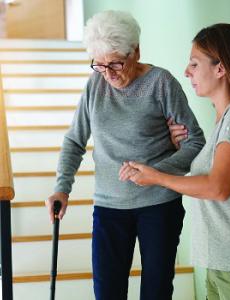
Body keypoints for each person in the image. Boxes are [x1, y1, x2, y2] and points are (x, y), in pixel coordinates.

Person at [119, 23, 230, 300]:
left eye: (194, 63)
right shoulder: (225, 120)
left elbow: (218, 187)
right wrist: (177, 147)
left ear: (220, 68)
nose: (186, 72)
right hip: (228, 266)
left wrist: (155, 177)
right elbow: (215, 174)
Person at [45, 10, 205, 300]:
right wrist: (61, 187)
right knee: (107, 293)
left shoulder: (161, 83)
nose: (109, 73)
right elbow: (74, 140)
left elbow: (195, 140)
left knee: (155, 292)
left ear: (137, 51)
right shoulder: (96, 85)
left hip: (159, 206)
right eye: (100, 65)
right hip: (109, 207)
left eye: (116, 63)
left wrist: (157, 173)